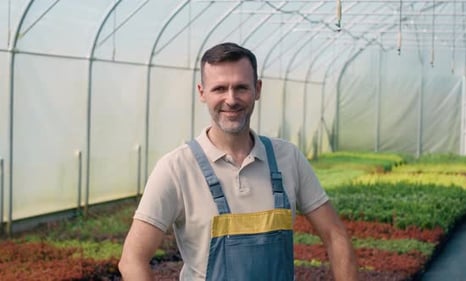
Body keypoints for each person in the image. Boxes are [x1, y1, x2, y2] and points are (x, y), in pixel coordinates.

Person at [118, 42, 359, 281]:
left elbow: (335, 235)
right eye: (219, 89)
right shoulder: (176, 168)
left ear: (258, 89)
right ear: (202, 93)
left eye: (241, 88)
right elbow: (132, 259)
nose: (231, 99)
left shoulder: (288, 158)